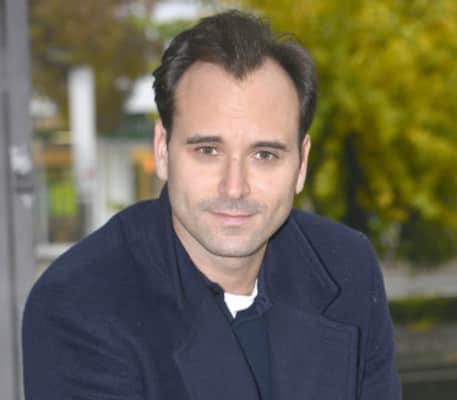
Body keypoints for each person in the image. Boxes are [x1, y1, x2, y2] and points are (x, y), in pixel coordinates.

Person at [22, 10, 401, 400]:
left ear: (301, 164)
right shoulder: (81, 304)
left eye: (265, 155)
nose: (234, 187)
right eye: (207, 150)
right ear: (162, 149)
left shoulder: (346, 266)